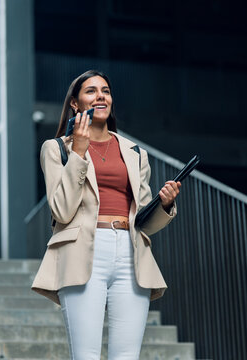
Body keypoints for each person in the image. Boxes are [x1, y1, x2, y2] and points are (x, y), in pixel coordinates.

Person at [31, 70, 181, 359]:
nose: (101, 96)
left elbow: (144, 222)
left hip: (130, 254)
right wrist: (78, 152)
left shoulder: (134, 151)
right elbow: (61, 210)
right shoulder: (55, 149)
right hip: (83, 252)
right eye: (91, 91)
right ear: (75, 104)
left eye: (106, 91)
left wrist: (164, 205)